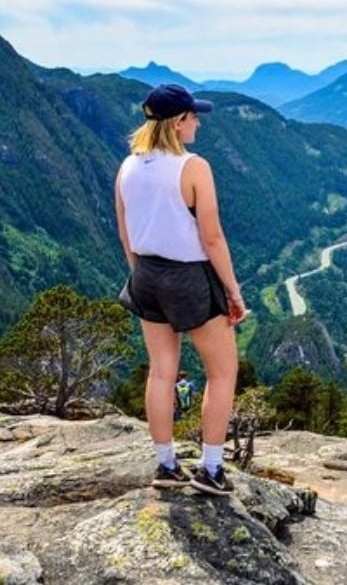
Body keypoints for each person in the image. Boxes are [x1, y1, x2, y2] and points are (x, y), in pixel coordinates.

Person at [115, 83, 247, 495]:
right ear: (177, 122)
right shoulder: (193, 167)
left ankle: (166, 465)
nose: (198, 122)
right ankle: (210, 470)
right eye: (193, 116)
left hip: (146, 275)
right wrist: (233, 291)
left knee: (161, 371)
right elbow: (212, 237)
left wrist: (143, 278)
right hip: (190, 277)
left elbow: (125, 234)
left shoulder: (128, 166)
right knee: (223, 372)